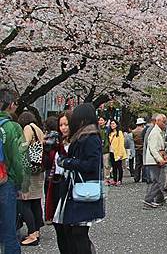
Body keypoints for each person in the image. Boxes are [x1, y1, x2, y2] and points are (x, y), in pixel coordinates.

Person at [53, 103, 105, 254]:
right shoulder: (85, 135)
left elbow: (91, 164)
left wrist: (67, 162)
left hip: (84, 190)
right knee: (74, 231)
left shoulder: (90, 137)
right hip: (78, 189)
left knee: (78, 233)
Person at [0, 88, 27, 254]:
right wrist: (20, 182)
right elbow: (18, 160)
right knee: (9, 229)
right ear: (10, 105)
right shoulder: (11, 127)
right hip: (6, 181)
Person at [17, 112, 45, 247]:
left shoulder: (28, 128)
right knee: (35, 202)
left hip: (29, 171)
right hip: (38, 171)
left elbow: (24, 146)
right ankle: (36, 232)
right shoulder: (38, 129)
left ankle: (32, 234)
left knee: (24, 203)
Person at [44, 111, 70, 224]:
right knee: (57, 222)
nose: (63, 128)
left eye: (66, 124)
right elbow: (49, 162)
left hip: (69, 183)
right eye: (61, 125)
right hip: (56, 181)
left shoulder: (76, 142)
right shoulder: (57, 142)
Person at [143, 114, 167, 209]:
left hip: (154, 160)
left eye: (165, 122)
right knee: (156, 181)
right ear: (157, 121)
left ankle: (157, 199)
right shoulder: (155, 133)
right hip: (154, 160)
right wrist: (160, 159)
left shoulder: (158, 132)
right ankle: (148, 200)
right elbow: (153, 148)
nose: (165, 124)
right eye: (163, 121)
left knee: (157, 181)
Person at [108, 120, 126, 186]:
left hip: (118, 152)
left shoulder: (119, 133)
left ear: (116, 125)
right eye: (111, 124)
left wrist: (121, 154)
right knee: (114, 166)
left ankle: (120, 180)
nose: (112, 125)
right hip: (112, 151)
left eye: (113, 124)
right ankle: (115, 180)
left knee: (119, 166)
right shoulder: (110, 133)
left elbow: (121, 143)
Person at [131, 118, 145, 182]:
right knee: (144, 164)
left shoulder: (133, 131)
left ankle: (136, 177)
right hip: (143, 148)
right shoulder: (144, 130)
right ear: (142, 124)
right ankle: (144, 178)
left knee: (137, 164)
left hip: (137, 148)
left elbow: (133, 140)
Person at [98, 116, 111, 183]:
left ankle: (107, 179)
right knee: (99, 165)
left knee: (106, 165)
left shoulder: (108, 129)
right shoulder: (97, 129)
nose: (100, 121)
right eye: (99, 120)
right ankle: (99, 179)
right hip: (98, 150)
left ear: (105, 121)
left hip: (106, 150)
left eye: (102, 120)